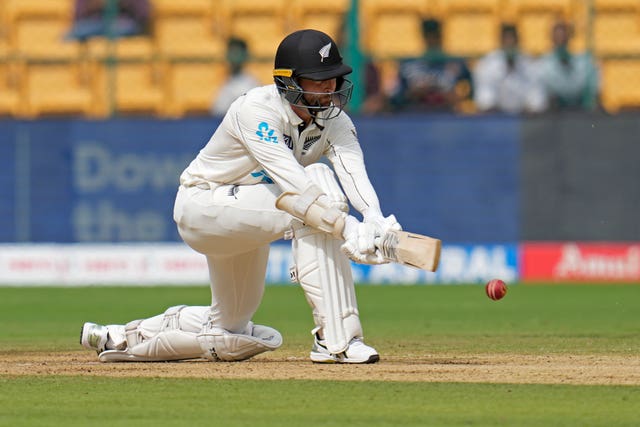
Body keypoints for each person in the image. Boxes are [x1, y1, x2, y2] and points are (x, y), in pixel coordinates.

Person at [80, 29, 402, 364]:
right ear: (288, 82)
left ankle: (119, 337)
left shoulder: (334, 121)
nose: (329, 89)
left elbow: (353, 171)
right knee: (318, 187)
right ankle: (336, 340)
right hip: (202, 207)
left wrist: (375, 220)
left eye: (332, 79)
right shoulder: (255, 110)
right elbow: (294, 184)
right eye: (318, 80)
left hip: (247, 214)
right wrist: (349, 229)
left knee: (230, 325)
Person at [388, 18, 473, 113]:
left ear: (441, 35)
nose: (432, 39)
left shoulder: (455, 63)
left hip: (447, 115)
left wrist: (456, 96)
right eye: (428, 35)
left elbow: (472, 91)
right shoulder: (408, 64)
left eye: (435, 35)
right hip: (414, 114)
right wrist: (414, 93)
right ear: (423, 36)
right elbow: (395, 98)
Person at [473, 24, 547, 114]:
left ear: (518, 41)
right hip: (497, 118)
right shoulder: (487, 65)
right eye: (506, 40)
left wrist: (532, 107)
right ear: (501, 42)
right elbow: (485, 100)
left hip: (525, 118)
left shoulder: (530, 64)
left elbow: (536, 96)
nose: (510, 43)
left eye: (512, 39)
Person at [538, 20, 600, 111]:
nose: (561, 41)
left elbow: (584, 86)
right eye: (558, 38)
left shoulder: (582, 61)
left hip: (580, 110)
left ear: (568, 38)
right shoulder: (544, 63)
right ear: (552, 39)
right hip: (554, 113)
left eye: (563, 38)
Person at [210, 37, 260, 116]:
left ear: (245, 55)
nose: (233, 58)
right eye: (231, 52)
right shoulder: (226, 81)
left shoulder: (250, 85)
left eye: (236, 53)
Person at [65, 0, 151, 41]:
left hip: (123, 24)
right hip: (93, 25)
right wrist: (94, 4)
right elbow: (78, 14)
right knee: (69, 37)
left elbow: (144, 14)